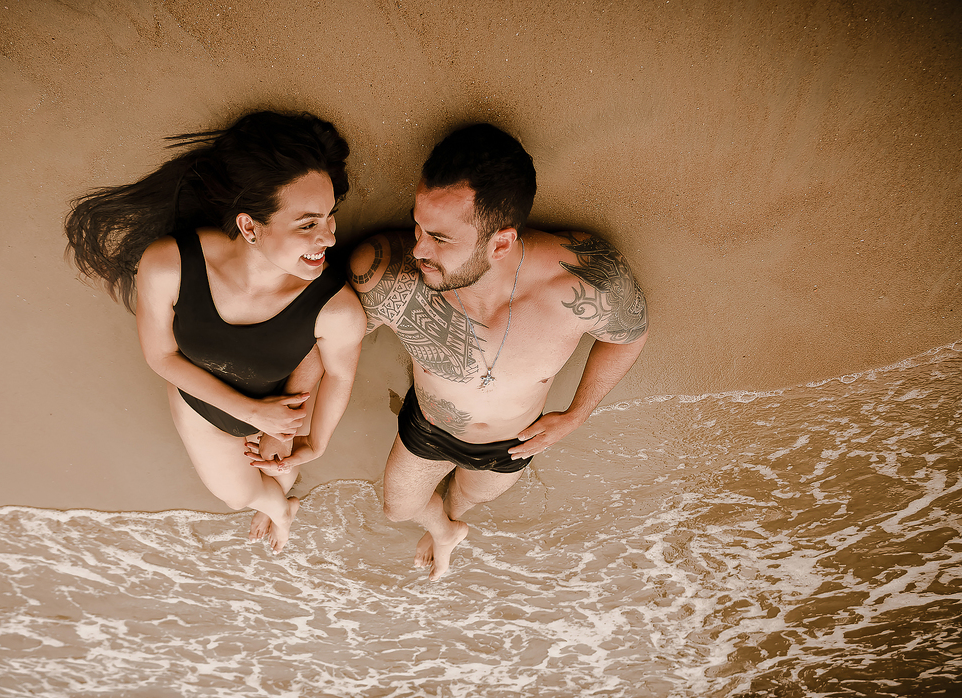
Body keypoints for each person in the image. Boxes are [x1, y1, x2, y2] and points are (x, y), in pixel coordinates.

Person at [349, 124, 649, 580]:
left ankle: (452, 522)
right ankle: (443, 530)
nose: (418, 248)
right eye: (418, 226)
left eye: (441, 238)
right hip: (429, 427)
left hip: (512, 444)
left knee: (471, 497)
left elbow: (629, 335)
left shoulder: (586, 280)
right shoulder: (391, 275)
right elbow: (327, 339)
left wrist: (576, 415)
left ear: (501, 242)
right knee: (397, 508)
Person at [66, 111, 366, 554]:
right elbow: (161, 357)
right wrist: (251, 413)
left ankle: (283, 493)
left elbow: (340, 375)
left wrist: (315, 443)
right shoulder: (170, 264)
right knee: (238, 495)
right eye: (307, 224)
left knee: (284, 471)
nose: (329, 238)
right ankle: (280, 509)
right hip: (202, 405)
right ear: (249, 227)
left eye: (329, 217)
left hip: (283, 396)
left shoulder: (338, 311)